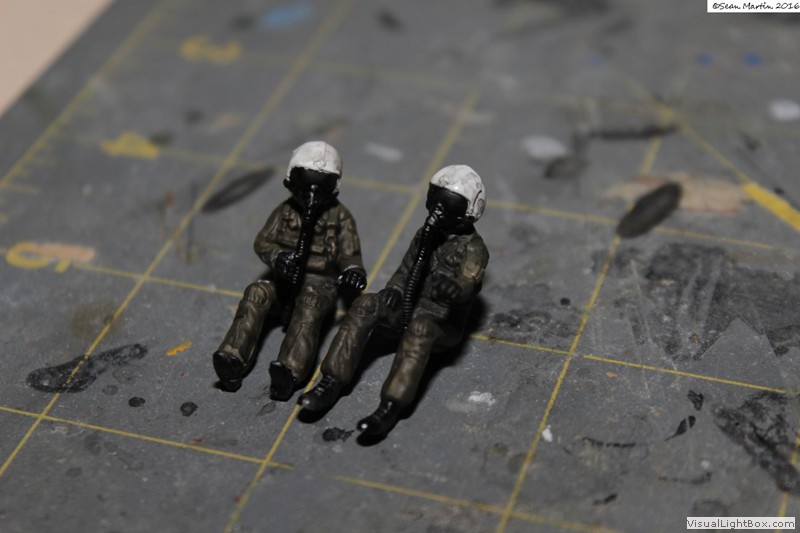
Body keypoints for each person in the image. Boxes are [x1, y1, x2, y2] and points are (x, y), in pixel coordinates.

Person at [300, 164, 489, 438]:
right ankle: (331, 380)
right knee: (366, 304)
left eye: (445, 206)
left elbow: (468, 282)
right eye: (434, 201)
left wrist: (455, 289)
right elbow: (404, 272)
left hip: (440, 322)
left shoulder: (473, 249)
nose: (436, 211)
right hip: (407, 309)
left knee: (420, 328)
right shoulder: (425, 235)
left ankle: (391, 404)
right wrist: (395, 291)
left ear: (467, 214)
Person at [212, 141, 367, 400]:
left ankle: (290, 370)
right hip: (284, 280)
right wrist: (278, 257)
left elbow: (351, 255)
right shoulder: (285, 212)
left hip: (319, 284)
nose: (311, 197)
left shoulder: (340, 218)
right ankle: (232, 358)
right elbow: (263, 242)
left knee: (309, 307)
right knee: (256, 292)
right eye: (304, 189)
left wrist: (353, 272)